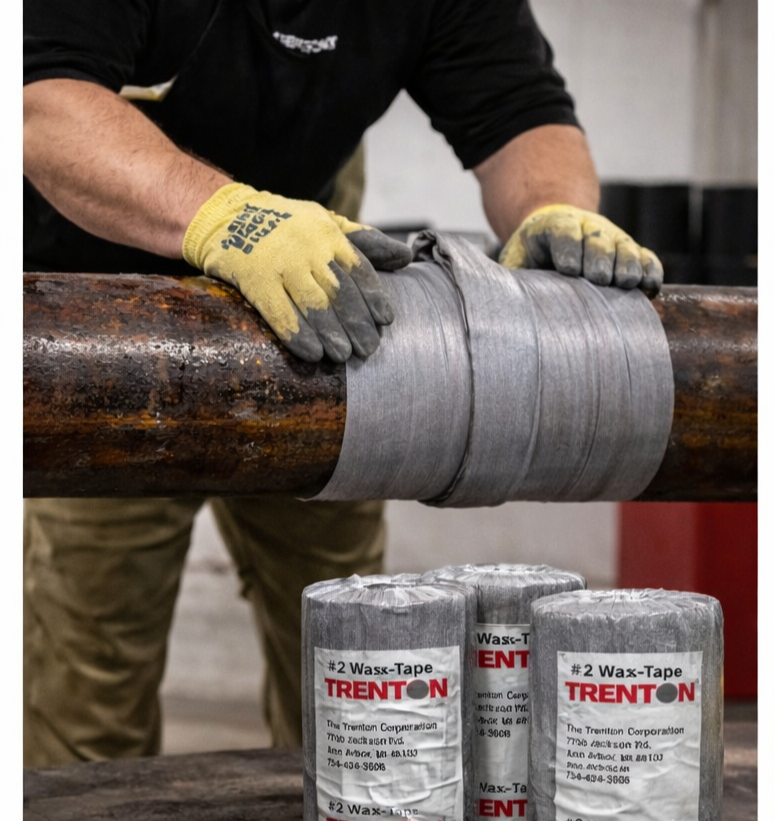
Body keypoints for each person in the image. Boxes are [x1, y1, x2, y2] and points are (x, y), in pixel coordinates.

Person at [23, 0, 662, 767]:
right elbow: (41, 103)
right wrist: (231, 218)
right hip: (110, 333)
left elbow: (519, 109)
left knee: (346, 648)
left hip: (312, 318)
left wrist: (552, 206)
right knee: (93, 658)